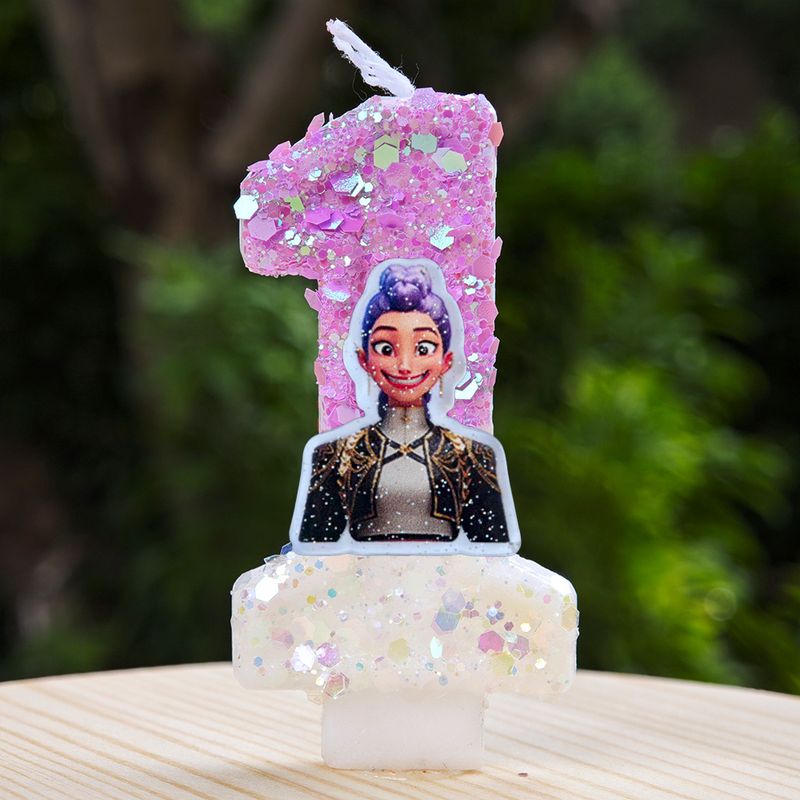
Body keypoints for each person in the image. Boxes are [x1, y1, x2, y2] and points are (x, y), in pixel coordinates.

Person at [297, 261, 514, 547]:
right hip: (360, 576)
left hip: (451, 576)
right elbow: (315, 553)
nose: (404, 365)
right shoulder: (334, 456)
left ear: (446, 360)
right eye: (386, 348)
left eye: (423, 348)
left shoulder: (473, 457)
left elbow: (492, 554)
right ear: (364, 359)